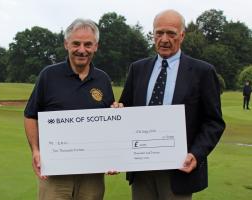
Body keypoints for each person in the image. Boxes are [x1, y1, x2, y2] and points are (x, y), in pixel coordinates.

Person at [118, 10, 226, 200]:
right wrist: (117, 112)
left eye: (171, 33)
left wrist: (196, 153)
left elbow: (214, 122)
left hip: (178, 172)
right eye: (159, 33)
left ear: (182, 36)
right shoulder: (138, 69)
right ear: (153, 34)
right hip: (141, 170)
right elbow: (125, 110)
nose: (164, 39)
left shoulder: (203, 71)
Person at [24, 18, 114, 200]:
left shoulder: (103, 79)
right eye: (76, 44)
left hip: (92, 173)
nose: (82, 50)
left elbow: (110, 122)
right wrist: (35, 150)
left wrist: (114, 156)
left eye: (88, 44)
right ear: (66, 44)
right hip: (55, 172)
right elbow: (30, 115)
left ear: (96, 46)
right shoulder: (48, 75)